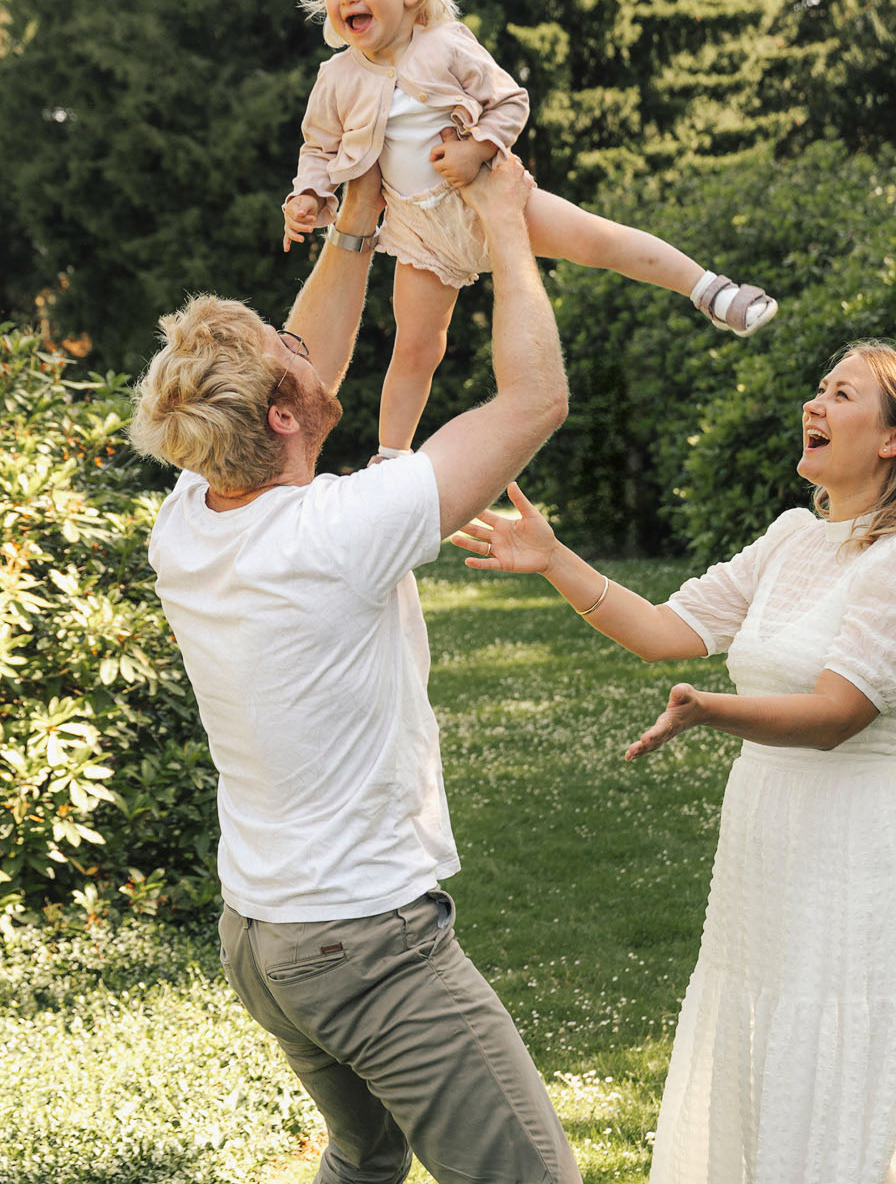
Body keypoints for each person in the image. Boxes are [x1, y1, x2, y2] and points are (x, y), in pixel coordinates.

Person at [130, 154, 583, 1184]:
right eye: (287, 354)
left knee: (365, 1153)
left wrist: (356, 222)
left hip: (263, 937)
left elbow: (301, 364)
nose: (306, 344)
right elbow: (536, 400)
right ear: (285, 415)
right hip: (363, 944)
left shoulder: (189, 518)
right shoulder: (341, 529)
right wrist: (508, 233)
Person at [452, 341, 896, 1184]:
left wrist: (710, 711)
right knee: (756, 1061)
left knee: (825, 1073)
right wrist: (552, 559)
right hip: (767, 845)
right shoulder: (793, 537)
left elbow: (840, 715)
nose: (815, 404)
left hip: (853, 858)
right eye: (818, 388)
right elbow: (664, 630)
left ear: (894, 441)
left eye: (842, 395)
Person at [279, 0, 777, 460]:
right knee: (417, 348)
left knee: (597, 239)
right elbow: (318, 148)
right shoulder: (336, 77)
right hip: (419, 233)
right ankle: (392, 461)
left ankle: (710, 291)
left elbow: (510, 101)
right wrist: (307, 197)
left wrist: (478, 147)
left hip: (493, 196)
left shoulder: (446, 44)